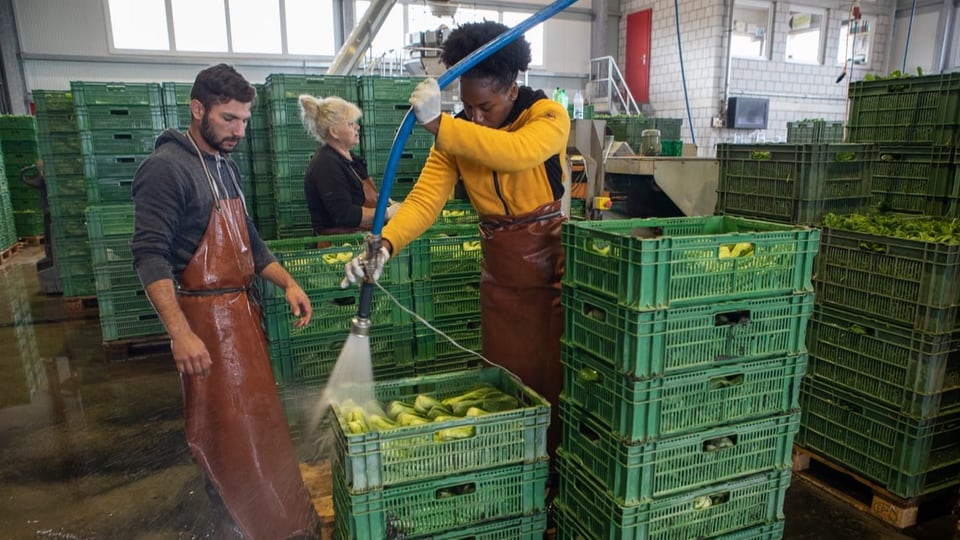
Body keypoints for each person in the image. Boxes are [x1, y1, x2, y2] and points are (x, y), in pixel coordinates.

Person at [342, 21, 571, 457]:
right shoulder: (456, 134)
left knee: (550, 381)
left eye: (485, 105)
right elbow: (425, 200)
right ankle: (510, 469)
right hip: (500, 275)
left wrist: (442, 125)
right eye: (467, 105)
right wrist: (385, 244)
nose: (476, 116)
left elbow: (516, 152)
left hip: (549, 273)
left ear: (510, 87)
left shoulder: (546, 116)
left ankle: (550, 472)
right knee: (505, 382)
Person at [131, 63, 318, 539]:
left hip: (241, 314)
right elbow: (150, 256)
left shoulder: (224, 165)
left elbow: (250, 245)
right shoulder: (166, 169)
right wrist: (181, 333)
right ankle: (237, 526)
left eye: (244, 120)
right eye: (229, 119)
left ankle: (275, 519)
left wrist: (288, 282)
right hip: (205, 324)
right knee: (225, 434)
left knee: (258, 425)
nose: (239, 130)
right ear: (198, 109)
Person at [299, 94, 401, 234]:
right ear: (334, 132)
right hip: (338, 246)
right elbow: (344, 215)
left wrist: (387, 202)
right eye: (350, 123)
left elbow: (358, 196)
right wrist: (386, 213)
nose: (357, 127)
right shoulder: (326, 165)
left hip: (361, 238)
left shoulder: (351, 160)